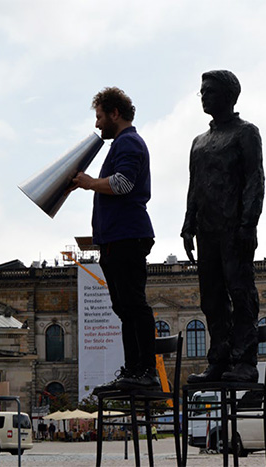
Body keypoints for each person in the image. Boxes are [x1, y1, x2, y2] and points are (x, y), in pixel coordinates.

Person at [72, 87, 159, 390]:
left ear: (114, 113)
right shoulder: (122, 144)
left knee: (133, 303)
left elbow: (123, 183)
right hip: (116, 238)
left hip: (127, 235)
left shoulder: (129, 143)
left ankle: (146, 370)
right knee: (124, 307)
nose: (97, 124)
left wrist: (88, 183)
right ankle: (134, 370)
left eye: (99, 117)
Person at [183, 70, 265, 383]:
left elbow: (254, 180)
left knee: (241, 292)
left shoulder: (246, 132)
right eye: (202, 91)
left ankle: (244, 360)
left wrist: (248, 224)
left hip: (234, 227)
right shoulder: (199, 142)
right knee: (211, 298)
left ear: (229, 96)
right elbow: (194, 186)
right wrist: (188, 224)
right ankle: (218, 359)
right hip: (207, 230)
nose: (203, 96)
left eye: (209, 91)